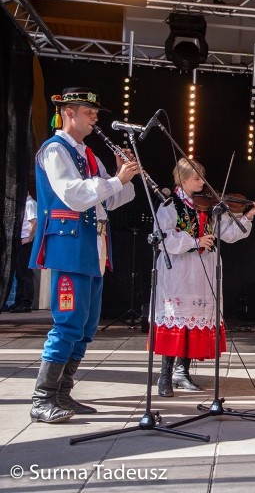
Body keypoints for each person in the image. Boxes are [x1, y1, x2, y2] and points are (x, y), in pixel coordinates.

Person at [28, 88, 139, 423]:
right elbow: (74, 196)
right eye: (89, 112)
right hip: (69, 247)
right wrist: (115, 180)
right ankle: (41, 398)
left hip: (93, 248)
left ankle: (63, 393)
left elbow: (112, 200)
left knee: (86, 326)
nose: (95, 118)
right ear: (69, 113)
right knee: (68, 323)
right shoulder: (54, 150)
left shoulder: (90, 156)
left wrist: (123, 177)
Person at [153, 158, 255, 397]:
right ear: (182, 180)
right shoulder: (169, 205)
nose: (202, 182)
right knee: (177, 319)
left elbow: (230, 233)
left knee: (192, 321)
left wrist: (249, 215)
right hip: (179, 271)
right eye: (196, 178)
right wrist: (194, 242)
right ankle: (165, 375)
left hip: (204, 270)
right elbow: (164, 237)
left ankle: (182, 373)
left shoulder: (210, 206)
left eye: (202, 177)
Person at [8, 193, 38, 313]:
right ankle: (18, 301)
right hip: (21, 241)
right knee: (19, 273)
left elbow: (34, 222)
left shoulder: (30, 204)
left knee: (25, 273)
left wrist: (29, 238)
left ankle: (26, 302)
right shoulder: (24, 204)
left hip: (26, 242)